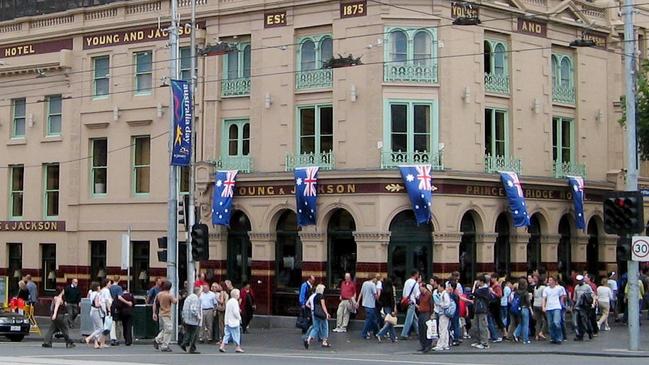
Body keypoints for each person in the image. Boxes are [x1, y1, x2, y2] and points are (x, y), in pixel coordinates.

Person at [304, 284, 332, 349]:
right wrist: (326, 313)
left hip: (315, 313)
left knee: (315, 328)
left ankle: (308, 340)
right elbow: (323, 306)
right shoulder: (321, 296)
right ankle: (324, 341)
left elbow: (310, 304)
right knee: (325, 326)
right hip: (321, 314)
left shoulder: (314, 296)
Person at [153, 281, 177, 352]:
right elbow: (175, 301)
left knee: (165, 329)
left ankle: (157, 340)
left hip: (160, 313)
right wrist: (178, 297)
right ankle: (164, 345)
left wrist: (154, 313)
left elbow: (155, 303)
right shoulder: (169, 295)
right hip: (166, 314)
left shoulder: (159, 294)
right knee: (169, 330)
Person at [219, 288, 244, 353]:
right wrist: (239, 318)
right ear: (236, 295)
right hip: (234, 322)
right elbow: (235, 312)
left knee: (227, 334)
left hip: (227, 321)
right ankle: (237, 347)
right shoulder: (235, 302)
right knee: (236, 334)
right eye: (238, 294)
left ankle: (222, 346)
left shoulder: (229, 301)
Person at [542, 275, 566, 344]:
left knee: (556, 322)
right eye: (549, 280)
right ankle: (553, 337)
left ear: (554, 281)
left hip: (556, 307)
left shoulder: (559, 288)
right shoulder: (546, 289)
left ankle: (559, 337)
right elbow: (544, 298)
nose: (549, 281)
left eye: (550, 280)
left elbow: (562, 296)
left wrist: (561, 304)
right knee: (550, 324)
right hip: (549, 307)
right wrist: (543, 306)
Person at [471, 275, 492, 349]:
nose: (477, 282)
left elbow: (473, 293)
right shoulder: (481, 289)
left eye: (478, 281)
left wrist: (474, 285)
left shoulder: (484, 289)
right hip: (477, 309)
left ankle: (484, 343)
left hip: (482, 309)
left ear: (482, 282)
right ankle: (478, 341)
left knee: (482, 327)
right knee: (476, 326)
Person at [181, 285, 202, 354]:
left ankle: (184, 343)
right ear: (198, 292)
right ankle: (192, 348)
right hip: (193, 320)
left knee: (188, 332)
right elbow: (193, 309)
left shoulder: (189, 297)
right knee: (194, 334)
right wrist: (198, 316)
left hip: (187, 318)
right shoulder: (195, 298)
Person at [357, 274, 380, 340]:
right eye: (376, 278)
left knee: (373, 320)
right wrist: (378, 294)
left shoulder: (364, 283)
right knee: (369, 320)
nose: (376, 280)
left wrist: (358, 302)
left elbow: (361, 293)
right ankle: (364, 333)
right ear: (373, 278)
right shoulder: (372, 285)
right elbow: (376, 296)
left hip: (365, 304)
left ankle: (376, 332)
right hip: (371, 305)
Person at [400, 270, 421, 339]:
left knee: (414, 318)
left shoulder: (407, 281)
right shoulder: (415, 283)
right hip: (412, 301)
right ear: (416, 275)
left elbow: (404, 292)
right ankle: (404, 334)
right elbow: (417, 295)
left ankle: (419, 332)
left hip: (407, 301)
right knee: (409, 319)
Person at [85, 281, 106, 349]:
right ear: (97, 287)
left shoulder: (92, 293)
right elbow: (97, 304)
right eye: (99, 286)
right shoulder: (97, 294)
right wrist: (101, 304)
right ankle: (89, 338)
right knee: (101, 328)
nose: (100, 287)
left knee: (96, 328)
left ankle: (96, 343)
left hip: (92, 310)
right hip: (96, 311)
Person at [433, 282, 454, 352]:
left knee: (442, 329)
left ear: (442, 287)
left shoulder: (444, 294)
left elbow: (447, 304)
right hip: (444, 314)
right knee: (445, 329)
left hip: (443, 313)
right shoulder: (445, 294)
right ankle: (445, 344)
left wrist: (440, 304)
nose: (438, 288)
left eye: (439, 286)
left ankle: (440, 345)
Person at [572, 274, 594, 341]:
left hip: (585, 306)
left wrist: (591, 304)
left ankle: (589, 332)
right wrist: (574, 305)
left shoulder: (587, 287)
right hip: (578, 306)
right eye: (578, 280)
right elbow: (575, 297)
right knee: (578, 321)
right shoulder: (576, 287)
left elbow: (591, 295)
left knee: (585, 320)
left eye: (580, 280)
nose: (579, 282)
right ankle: (580, 335)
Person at [376, 277, 398, 342]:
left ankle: (393, 337)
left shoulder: (383, 289)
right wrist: (394, 308)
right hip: (389, 306)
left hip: (384, 306)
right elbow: (392, 300)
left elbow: (380, 299)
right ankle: (380, 333)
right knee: (389, 322)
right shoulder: (390, 289)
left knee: (390, 321)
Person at [513, 278, 532, 344]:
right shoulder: (525, 292)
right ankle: (525, 339)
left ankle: (516, 333)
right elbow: (528, 302)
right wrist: (531, 310)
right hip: (525, 308)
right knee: (526, 324)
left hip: (518, 309)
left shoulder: (516, 292)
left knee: (521, 323)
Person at [417, 279, 433, 352]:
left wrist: (431, 314)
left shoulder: (429, 294)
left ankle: (428, 345)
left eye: (420, 287)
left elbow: (431, 305)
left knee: (426, 330)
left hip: (426, 313)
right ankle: (423, 345)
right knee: (421, 330)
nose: (419, 289)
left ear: (423, 287)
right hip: (421, 313)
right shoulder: (420, 295)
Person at [108, 275, 123, 346]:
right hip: (116, 305)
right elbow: (119, 297)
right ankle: (116, 338)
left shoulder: (110, 287)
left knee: (112, 322)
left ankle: (112, 337)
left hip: (110, 305)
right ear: (119, 280)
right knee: (117, 323)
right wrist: (126, 302)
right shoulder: (119, 288)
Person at [532, 274, 547, 341]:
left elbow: (534, 296)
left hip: (535, 304)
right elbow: (545, 297)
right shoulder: (544, 288)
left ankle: (536, 335)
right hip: (541, 304)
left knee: (538, 321)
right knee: (547, 320)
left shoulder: (535, 287)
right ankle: (542, 332)